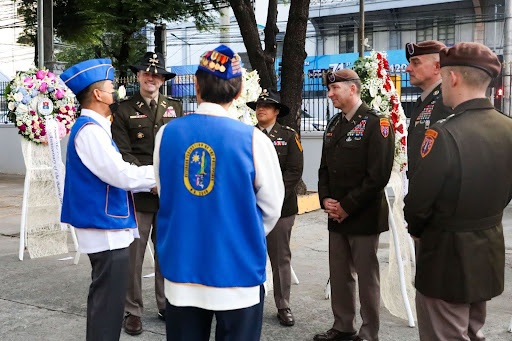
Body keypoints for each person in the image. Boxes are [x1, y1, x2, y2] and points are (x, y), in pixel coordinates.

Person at [154, 44, 284, 341]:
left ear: (196, 86)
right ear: (239, 93)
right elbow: (272, 207)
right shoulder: (254, 140)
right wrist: (240, 231)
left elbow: (166, 193)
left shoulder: (167, 134)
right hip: (237, 275)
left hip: (182, 270)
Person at [404, 42, 512, 341]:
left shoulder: (444, 132)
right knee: (472, 329)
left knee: (444, 333)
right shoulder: (508, 127)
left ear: (452, 78)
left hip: (446, 254)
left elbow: (420, 200)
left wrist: (415, 228)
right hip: (487, 246)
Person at [60, 59, 156, 341]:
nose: (116, 92)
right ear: (98, 95)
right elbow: (120, 175)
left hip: (108, 226)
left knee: (109, 304)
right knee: (107, 305)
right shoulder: (90, 131)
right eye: (111, 87)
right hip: (103, 228)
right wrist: (161, 173)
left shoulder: (96, 127)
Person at [314, 68, 394, 341]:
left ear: (353, 88)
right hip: (335, 214)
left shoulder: (377, 123)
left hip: (363, 214)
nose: (330, 94)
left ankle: (369, 332)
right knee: (339, 275)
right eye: (329, 88)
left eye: (335, 88)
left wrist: (346, 206)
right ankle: (343, 326)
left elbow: (378, 176)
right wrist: (325, 199)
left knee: (366, 277)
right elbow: (324, 168)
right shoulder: (335, 123)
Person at [111, 51, 183, 335]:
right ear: (139, 76)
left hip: (168, 196)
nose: (151, 78)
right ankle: (132, 310)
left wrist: (164, 182)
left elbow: (179, 149)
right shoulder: (124, 109)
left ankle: (166, 305)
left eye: (157, 74)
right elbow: (123, 153)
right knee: (134, 256)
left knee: (167, 252)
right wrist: (149, 179)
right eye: (146, 73)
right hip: (139, 194)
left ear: (163, 79)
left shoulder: (175, 107)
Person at [247, 88, 304, 327]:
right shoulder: (246, 136)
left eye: (267, 106)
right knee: (249, 255)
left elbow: (294, 171)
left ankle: (283, 305)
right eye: (259, 106)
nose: (261, 109)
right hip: (249, 207)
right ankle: (249, 304)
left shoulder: (289, 136)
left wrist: (273, 195)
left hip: (281, 208)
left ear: (277, 111)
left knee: (280, 258)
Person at [404, 40, 451, 179]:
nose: (408, 68)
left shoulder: (446, 100)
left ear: (437, 67)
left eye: (416, 63)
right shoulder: (425, 100)